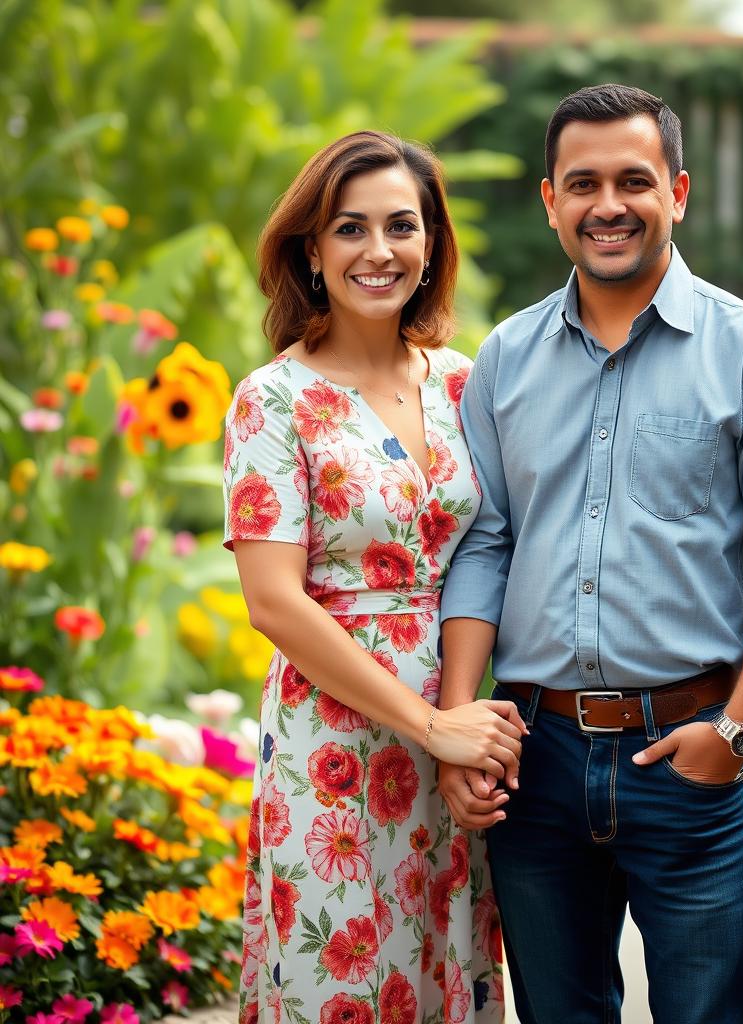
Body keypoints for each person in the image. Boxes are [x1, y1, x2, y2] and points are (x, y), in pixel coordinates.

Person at [438, 85, 743, 1024]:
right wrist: (461, 722)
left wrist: (736, 732)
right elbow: (485, 543)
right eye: (583, 183)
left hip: (688, 761)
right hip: (534, 768)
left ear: (679, 192)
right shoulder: (504, 359)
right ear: (550, 201)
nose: (607, 204)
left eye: (634, 180)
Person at [224, 130, 521, 1024]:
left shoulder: (468, 384)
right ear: (311, 250)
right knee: (344, 982)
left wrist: (461, 725)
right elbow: (273, 602)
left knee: (445, 973)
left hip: (459, 737)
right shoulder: (271, 401)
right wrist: (430, 726)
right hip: (337, 750)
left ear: (431, 244)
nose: (379, 250)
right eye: (350, 229)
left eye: (402, 226)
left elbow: (486, 549)